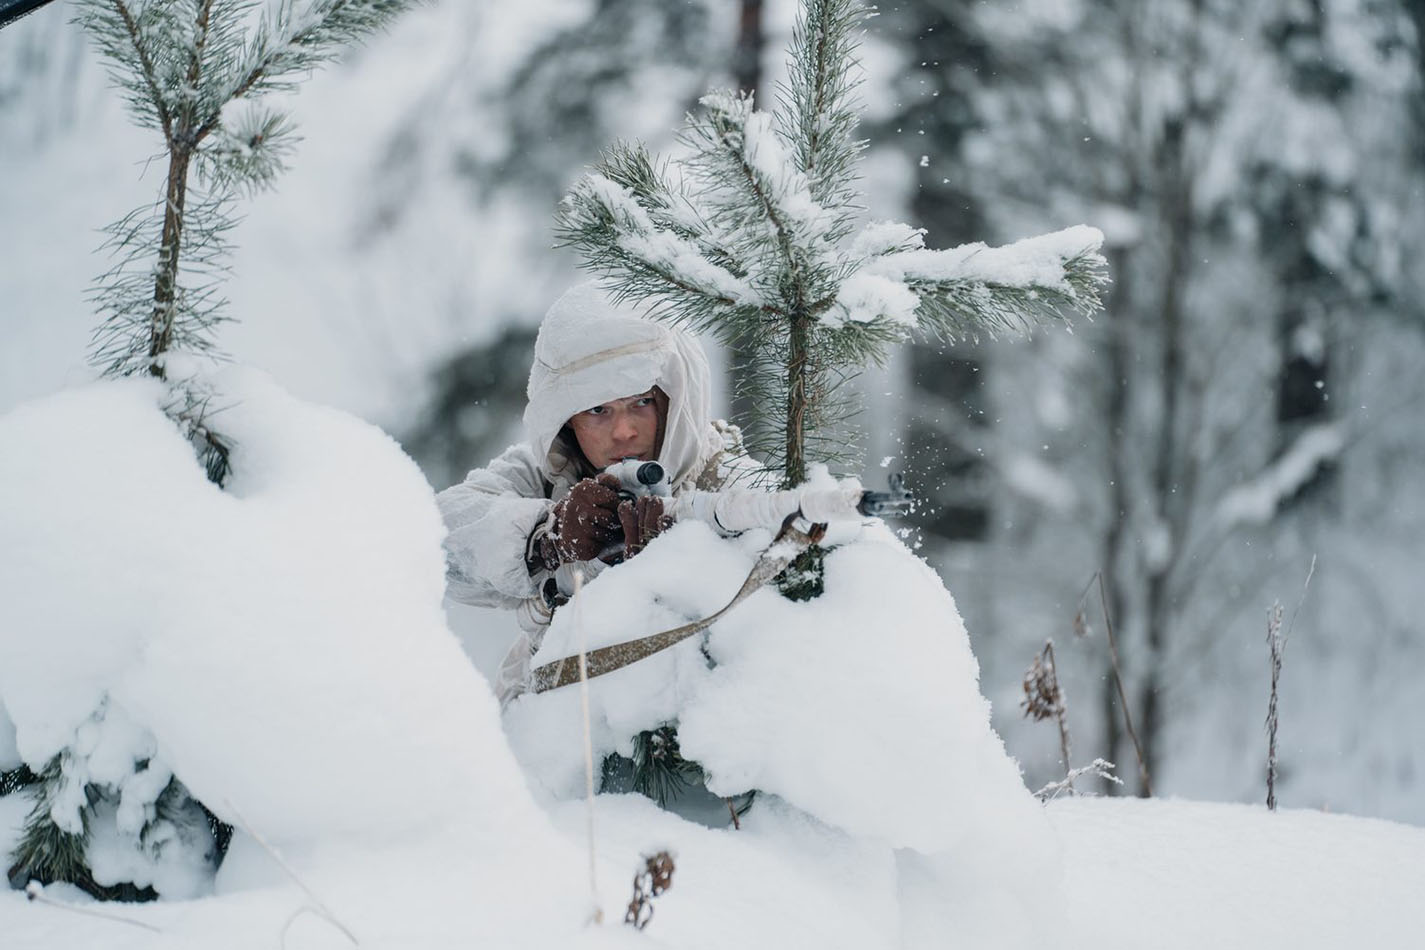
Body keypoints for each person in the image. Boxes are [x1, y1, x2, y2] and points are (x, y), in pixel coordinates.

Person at [436, 283, 758, 703]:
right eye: (598, 410)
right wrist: (546, 540)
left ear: (673, 400)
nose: (623, 430)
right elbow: (434, 542)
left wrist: (684, 560)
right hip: (558, 728)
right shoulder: (547, 474)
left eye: (641, 402)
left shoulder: (732, 483)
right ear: (567, 420)